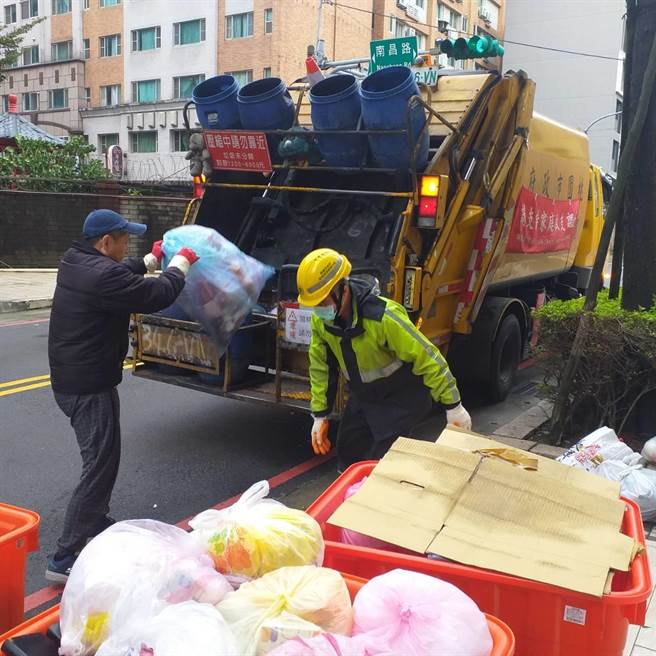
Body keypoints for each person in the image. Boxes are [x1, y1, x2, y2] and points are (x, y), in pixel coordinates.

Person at [46, 209, 198, 582]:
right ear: (106, 243)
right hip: (86, 386)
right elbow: (157, 293)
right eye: (124, 238)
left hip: (81, 378)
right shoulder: (101, 275)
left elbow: (120, 274)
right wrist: (179, 264)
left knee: (106, 456)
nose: (127, 243)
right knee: (98, 464)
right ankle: (65, 554)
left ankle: (95, 520)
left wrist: (149, 259)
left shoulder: (76, 261)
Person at [297, 248, 471, 468]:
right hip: (364, 396)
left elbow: (427, 357)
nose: (319, 309)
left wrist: (453, 405)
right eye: (315, 304)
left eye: (322, 302)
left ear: (343, 288)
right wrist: (320, 414)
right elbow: (321, 367)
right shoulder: (322, 322)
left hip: (400, 398)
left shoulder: (383, 317)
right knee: (349, 452)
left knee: (382, 463)